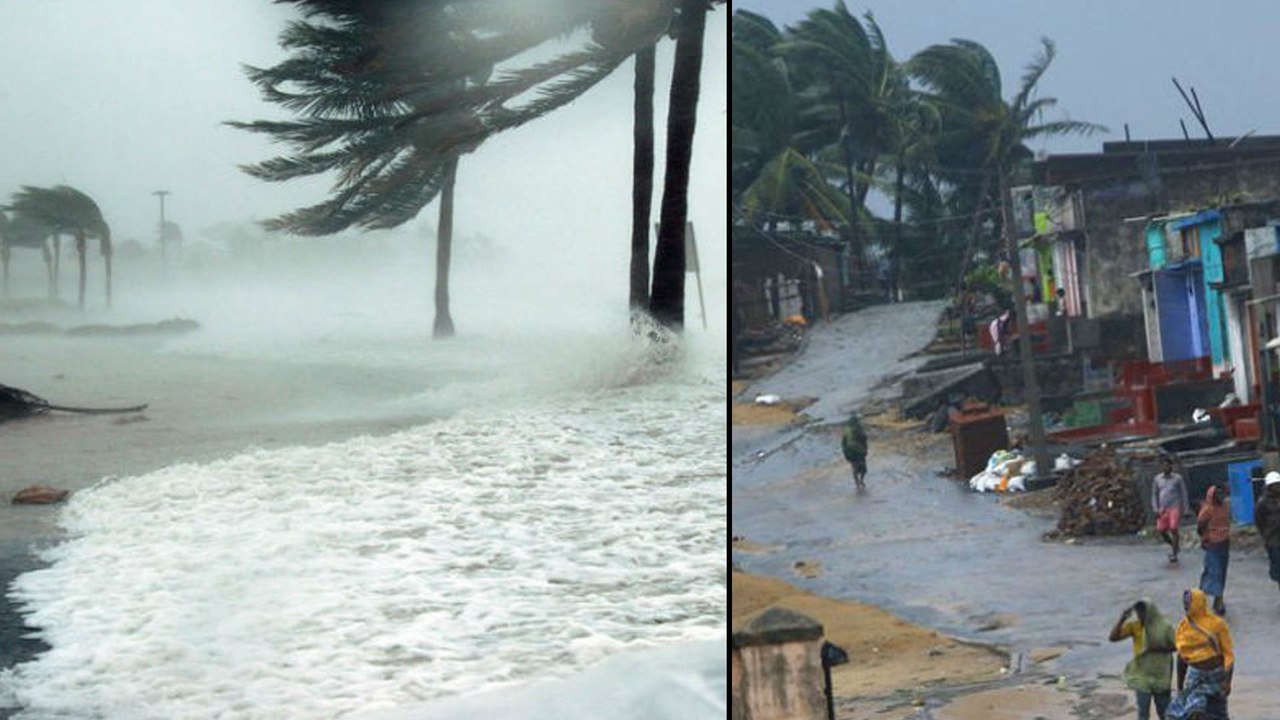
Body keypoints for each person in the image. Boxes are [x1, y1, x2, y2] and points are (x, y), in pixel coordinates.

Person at [1167, 588, 1233, 720]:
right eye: (1185, 604)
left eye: (1189, 603)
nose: (1186, 607)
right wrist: (1180, 686)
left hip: (1215, 676)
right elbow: (1182, 657)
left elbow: (1228, 655)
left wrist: (1227, 681)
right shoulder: (1184, 627)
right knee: (1193, 712)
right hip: (1195, 677)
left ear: (1199, 603)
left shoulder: (1217, 624)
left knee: (1218, 712)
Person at [1109, 598, 1176, 720]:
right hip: (1142, 675)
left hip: (1161, 675)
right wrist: (1122, 619)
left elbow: (1178, 646)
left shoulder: (1165, 627)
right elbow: (1113, 638)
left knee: (1164, 712)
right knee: (1143, 713)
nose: (1140, 616)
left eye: (1143, 613)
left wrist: (1157, 648)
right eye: (1138, 613)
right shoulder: (1136, 626)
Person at [1197, 485, 1231, 616]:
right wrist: (1205, 538)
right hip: (1213, 543)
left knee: (1221, 571)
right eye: (1218, 494)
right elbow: (1200, 525)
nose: (1221, 497)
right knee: (1214, 571)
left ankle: (1218, 599)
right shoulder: (1208, 510)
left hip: (1224, 542)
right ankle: (1211, 599)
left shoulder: (1224, 507)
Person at [1152, 456, 1190, 563]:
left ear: (1171, 466)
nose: (1166, 467)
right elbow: (1154, 494)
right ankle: (1174, 545)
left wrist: (1186, 509)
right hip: (1162, 508)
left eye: (1168, 465)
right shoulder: (1157, 479)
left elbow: (1184, 493)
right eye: (1164, 465)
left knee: (1173, 528)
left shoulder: (1178, 478)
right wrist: (1155, 508)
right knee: (1161, 530)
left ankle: (1174, 554)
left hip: (1174, 507)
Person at [1254, 471, 1280, 596]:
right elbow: (1259, 521)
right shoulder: (1263, 502)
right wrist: (1267, 534)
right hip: (1273, 541)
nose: (1278, 487)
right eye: (1275, 485)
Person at [841, 412, 868, 489]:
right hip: (859, 451)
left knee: (854, 468)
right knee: (863, 468)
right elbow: (864, 439)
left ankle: (857, 483)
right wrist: (865, 449)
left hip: (850, 452)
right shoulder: (859, 428)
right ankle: (861, 480)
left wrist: (845, 451)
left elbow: (843, 442)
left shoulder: (846, 429)